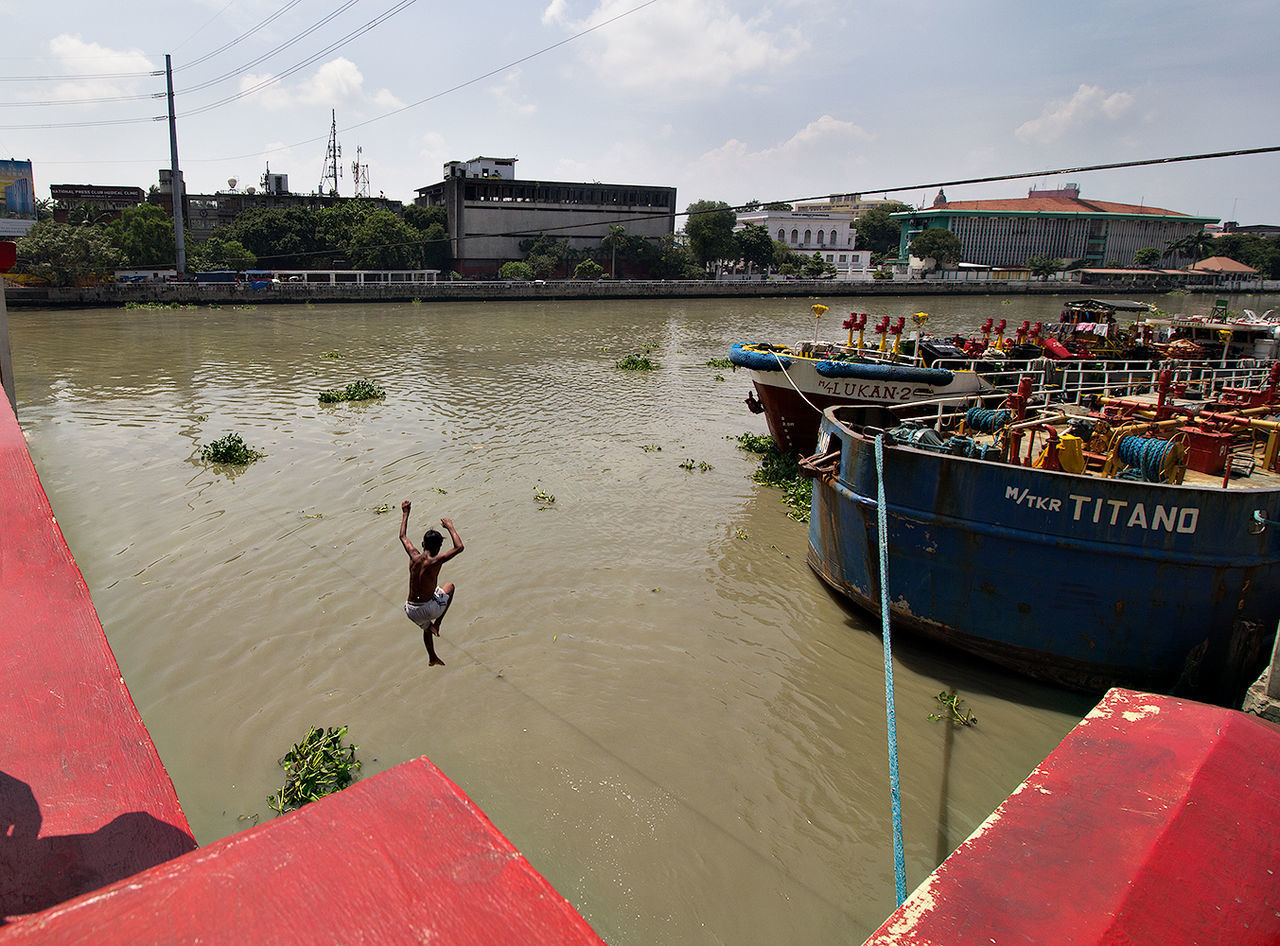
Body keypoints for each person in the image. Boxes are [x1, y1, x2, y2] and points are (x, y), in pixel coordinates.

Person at [399, 500, 464, 666]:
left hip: (410, 610)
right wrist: (450, 526)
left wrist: (406, 513)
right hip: (428, 610)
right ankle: (438, 625)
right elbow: (459, 547)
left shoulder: (413, 556)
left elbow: (403, 536)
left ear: (422, 544)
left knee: (425, 625)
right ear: (439, 547)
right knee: (450, 586)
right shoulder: (437, 560)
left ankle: (432, 656)